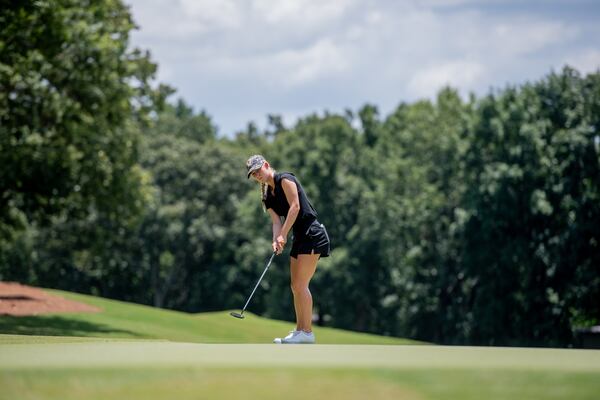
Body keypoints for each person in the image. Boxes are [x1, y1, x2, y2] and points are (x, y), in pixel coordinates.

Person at [246, 154, 330, 344]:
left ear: (266, 165)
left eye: (258, 171)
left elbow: (295, 207)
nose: (257, 175)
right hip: (299, 237)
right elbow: (276, 221)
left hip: (312, 233)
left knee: (301, 285)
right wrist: (276, 239)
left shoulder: (285, 179)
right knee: (295, 286)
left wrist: (283, 234)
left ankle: (307, 333)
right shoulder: (267, 195)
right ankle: (300, 330)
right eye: (254, 174)